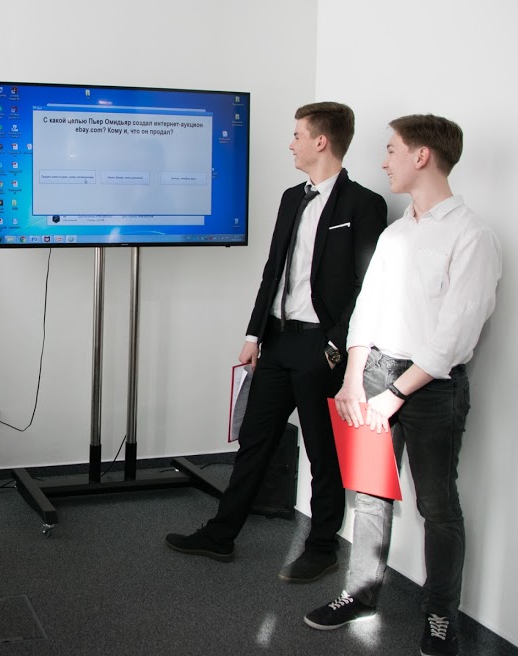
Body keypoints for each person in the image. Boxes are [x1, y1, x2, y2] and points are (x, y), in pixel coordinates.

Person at [305, 115, 501, 656]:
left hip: (431, 389)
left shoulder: (472, 236)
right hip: (374, 376)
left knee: (437, 507)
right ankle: (361, 594)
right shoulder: (395, 234)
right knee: (370, 497)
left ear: (421, 156)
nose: (383, 161)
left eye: (391, 150)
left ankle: (440, 616)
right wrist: (353, 379)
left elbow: (453, 338)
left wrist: (394, 396)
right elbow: (366, 311)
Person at [166, 102, 387, 582]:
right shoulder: (291, 198)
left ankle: (322, 547)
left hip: (321, 349)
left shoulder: (363, 204)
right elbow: (273, 273)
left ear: (321, 141)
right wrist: (253, 334)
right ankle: (221, 535)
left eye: (297, 135)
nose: (291, 144)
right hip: (278, 341)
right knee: (254, 441)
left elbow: (366, 287)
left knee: (323, 453)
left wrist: (335, 346)